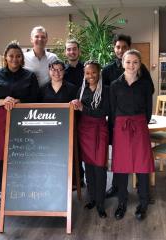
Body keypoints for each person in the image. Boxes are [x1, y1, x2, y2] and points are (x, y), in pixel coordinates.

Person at [0, 41, 39, 212]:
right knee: (0, 158)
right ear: (5, 58)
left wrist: (20, 101)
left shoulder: (30, 76)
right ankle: (4, 195)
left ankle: (23, 194)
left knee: (22, 157)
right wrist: (1, 101)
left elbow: (37, 98)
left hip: (24, 120)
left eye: (18, 56)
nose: (14, 59)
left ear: (22, 58)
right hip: (1, 120)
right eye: (11, 56)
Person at [102, 34, 154, 199]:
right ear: (114, 49)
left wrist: (141, 120)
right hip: (118, 121)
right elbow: (108, 99)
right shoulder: (108, 71)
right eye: (118, 47)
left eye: (124, 47)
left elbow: (148, 94)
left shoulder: (142, 72)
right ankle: (118, 189)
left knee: (141, 159)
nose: (120, 50)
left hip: (137, 121)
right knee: (120, 159)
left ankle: (142, 191)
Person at [110, 49, 154, 221]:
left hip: (139, 126)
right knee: (121, 167)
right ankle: (122, 202)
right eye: (128, 62)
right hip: (121, 128)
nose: (131, 65)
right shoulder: (114, 85)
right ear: (123, 63)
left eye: (135, 62)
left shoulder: (145, 85)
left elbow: (148, 110)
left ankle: (143, 203)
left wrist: (140, 123)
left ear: (139, 64)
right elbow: (113, 111)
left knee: (142, 166)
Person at [71, 60, 109, 218]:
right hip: (85, 131)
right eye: (87, 73)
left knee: (100, 166)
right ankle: (93, 198)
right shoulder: (81, 90)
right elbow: (78, 112)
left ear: (99, 73)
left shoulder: (106, 90)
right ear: (84, 74)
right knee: (89, 167)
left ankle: (101, 203)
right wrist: (73, 105)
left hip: (100, 130)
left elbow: (104, 112)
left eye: (93, 72)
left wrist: (83, 108)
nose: (90, 75)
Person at [64, 39, 85, 188]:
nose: (72, 52)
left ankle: (86, 178)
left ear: (79, 51)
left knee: (85, 147)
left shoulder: (86, 68)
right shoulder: (62, 71)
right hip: (69, 114)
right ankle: (77, 179)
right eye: (69, 49)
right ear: (65, 52)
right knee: (72, 147)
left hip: (86, 113)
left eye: (74, 49)